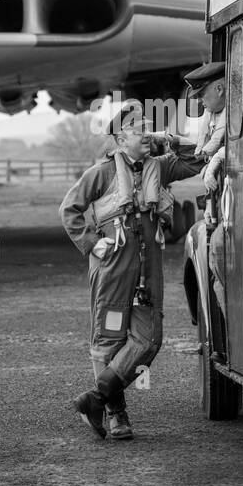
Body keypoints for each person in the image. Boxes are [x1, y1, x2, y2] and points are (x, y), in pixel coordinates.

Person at [60, 101, 203, 440]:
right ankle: (116, 416)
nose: (145, 132)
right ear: (120, 139)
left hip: (147, 271)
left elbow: (197, 159)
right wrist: (92, 243)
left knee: (149, 339)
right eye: (139, 128)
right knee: (108, 341)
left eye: (147, 126)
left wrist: (167, 138)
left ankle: (94, 398)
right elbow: (70, 210)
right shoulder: (101, 174)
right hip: (112, 270)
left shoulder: (162, 167)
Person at [182, 62, 229, 360]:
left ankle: (229, 343)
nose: (200, 101)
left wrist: (215, 161)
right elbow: (202, 150)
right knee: (216, 274)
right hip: (220, 208)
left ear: (220, 88)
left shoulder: (235, 111)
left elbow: (237, 142)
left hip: (231, 210)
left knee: (218, 263)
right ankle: (226, 342)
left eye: (203, 94)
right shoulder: (212, 116)